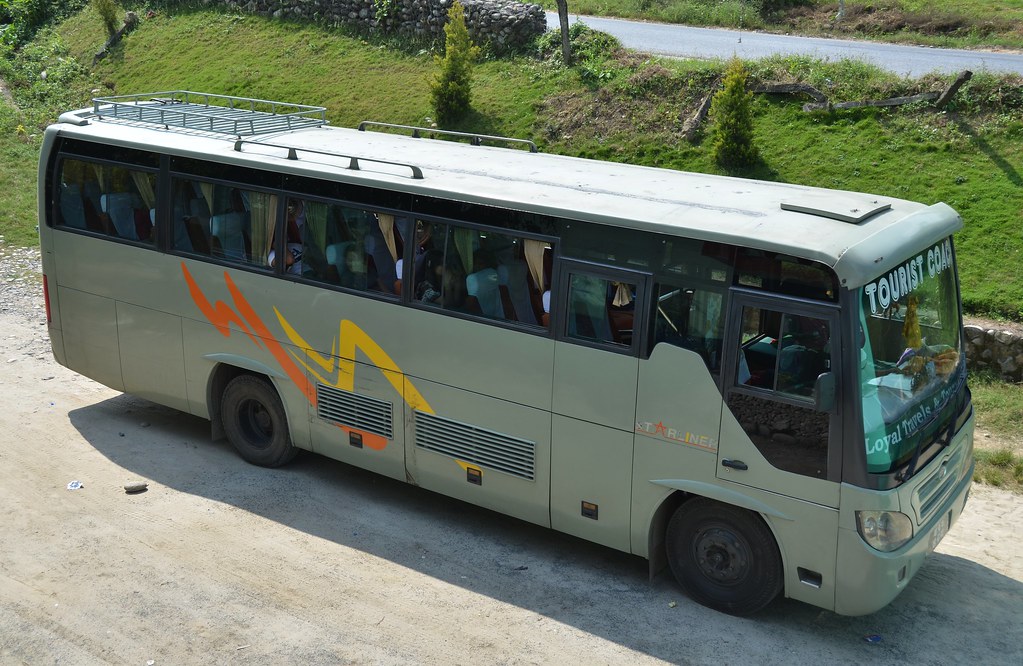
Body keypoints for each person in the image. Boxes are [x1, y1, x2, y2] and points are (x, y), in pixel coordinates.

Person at [269, 198, 305, 274]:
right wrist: (278, 243)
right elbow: (289, 259)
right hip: (300, 275)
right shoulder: (271, 253)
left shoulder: (293, 243)